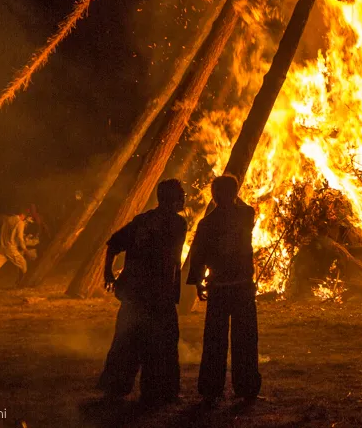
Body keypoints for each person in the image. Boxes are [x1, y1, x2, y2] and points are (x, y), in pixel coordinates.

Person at [98, 179, 187, 405]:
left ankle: (118, 387)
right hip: (156, 293)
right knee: (162, 342)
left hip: (136, 292)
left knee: (128, 339)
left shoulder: (142, 221)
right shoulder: (177, 223)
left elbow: (113, 244)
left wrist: (108, 273)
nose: (184, 198)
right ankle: (158, 391)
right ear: (172, 199)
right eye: (181, 195)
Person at [186, 174, 261, 407]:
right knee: (245, 340)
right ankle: (247, 388)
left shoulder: (207, 223)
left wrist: (198, 281)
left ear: (214, 195)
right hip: (240, 288)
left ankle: (211, 389)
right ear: (235, 193)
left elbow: (197, 256)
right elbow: (249, 209)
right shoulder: (245, 215)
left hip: (220, 287)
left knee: (215, 341)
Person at [0, 210, 33, 289]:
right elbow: (20, 237)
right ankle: (23, 284)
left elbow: (12, 228)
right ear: (23, 215)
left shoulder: (8, 219)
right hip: (11, 249)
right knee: (23, 264)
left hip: (2, 247)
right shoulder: (20, 223)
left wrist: (25, 223)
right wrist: (25, 250)